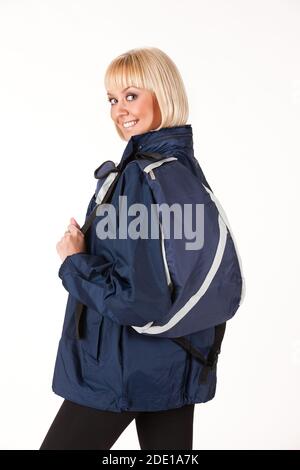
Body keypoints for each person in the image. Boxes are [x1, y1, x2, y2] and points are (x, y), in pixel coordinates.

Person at [39, 47, 223, 450]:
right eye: (111, 99)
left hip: (120, 368)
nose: (118, 110)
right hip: (178, 358)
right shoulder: (182, 169)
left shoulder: (141, 179)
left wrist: (74, 261)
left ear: (162, 93)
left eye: (131, 95)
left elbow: (136, 299)